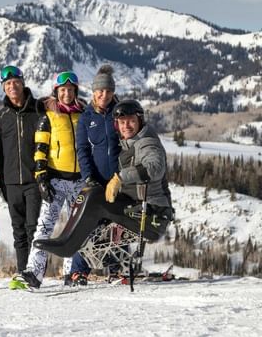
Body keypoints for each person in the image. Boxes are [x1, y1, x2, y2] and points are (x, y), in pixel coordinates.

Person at [32, 99, 174, 260]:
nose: (126, 126)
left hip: (152, 217)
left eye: (131, 121)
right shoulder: (129, 143)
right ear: (116, 125)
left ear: (140, 121)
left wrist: (119, 178)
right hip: (140, 209)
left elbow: (155, 167)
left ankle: (67, 246)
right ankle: (71, 244)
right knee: (94, 193)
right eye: (122, 122)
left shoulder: (147, 143)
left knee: (95, 199)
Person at [14, 71, 86, 290]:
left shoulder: (82, 115)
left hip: (79, 181)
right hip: (55, 180)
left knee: (77, 228)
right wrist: (41, 177)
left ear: (75, 91)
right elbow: (40, 149)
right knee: (44, 227)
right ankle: (34, 273)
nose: (67, 93)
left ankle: (72, 273)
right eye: (62, 90)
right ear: (56, 92)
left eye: (70, 90)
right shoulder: (48, 116)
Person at [68, 64, 121, 285]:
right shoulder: (86, 117)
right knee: (88, 224)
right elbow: (82, 149)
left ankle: (116, 270)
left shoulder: (120, 113)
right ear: (93, 91)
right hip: (94, 180)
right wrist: (89, 177)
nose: (104, 95)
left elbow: (129, 146)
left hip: (118, 181)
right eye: (100, 91)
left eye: (108, 91)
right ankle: (79, 271)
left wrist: (121, 175)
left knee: (118, 225)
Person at [0, 65, 44, 287]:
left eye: (15, 82)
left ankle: (36, 273)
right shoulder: (2, 116)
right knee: (19, 231)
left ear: (23, 83)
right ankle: (24, 273)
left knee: (34, 228)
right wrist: (2, 183)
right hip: (11, 181)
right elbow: (0, 152)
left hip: (34, 181)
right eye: (7, 84)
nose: (12, 86)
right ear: (4, 88)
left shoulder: (38, 110)